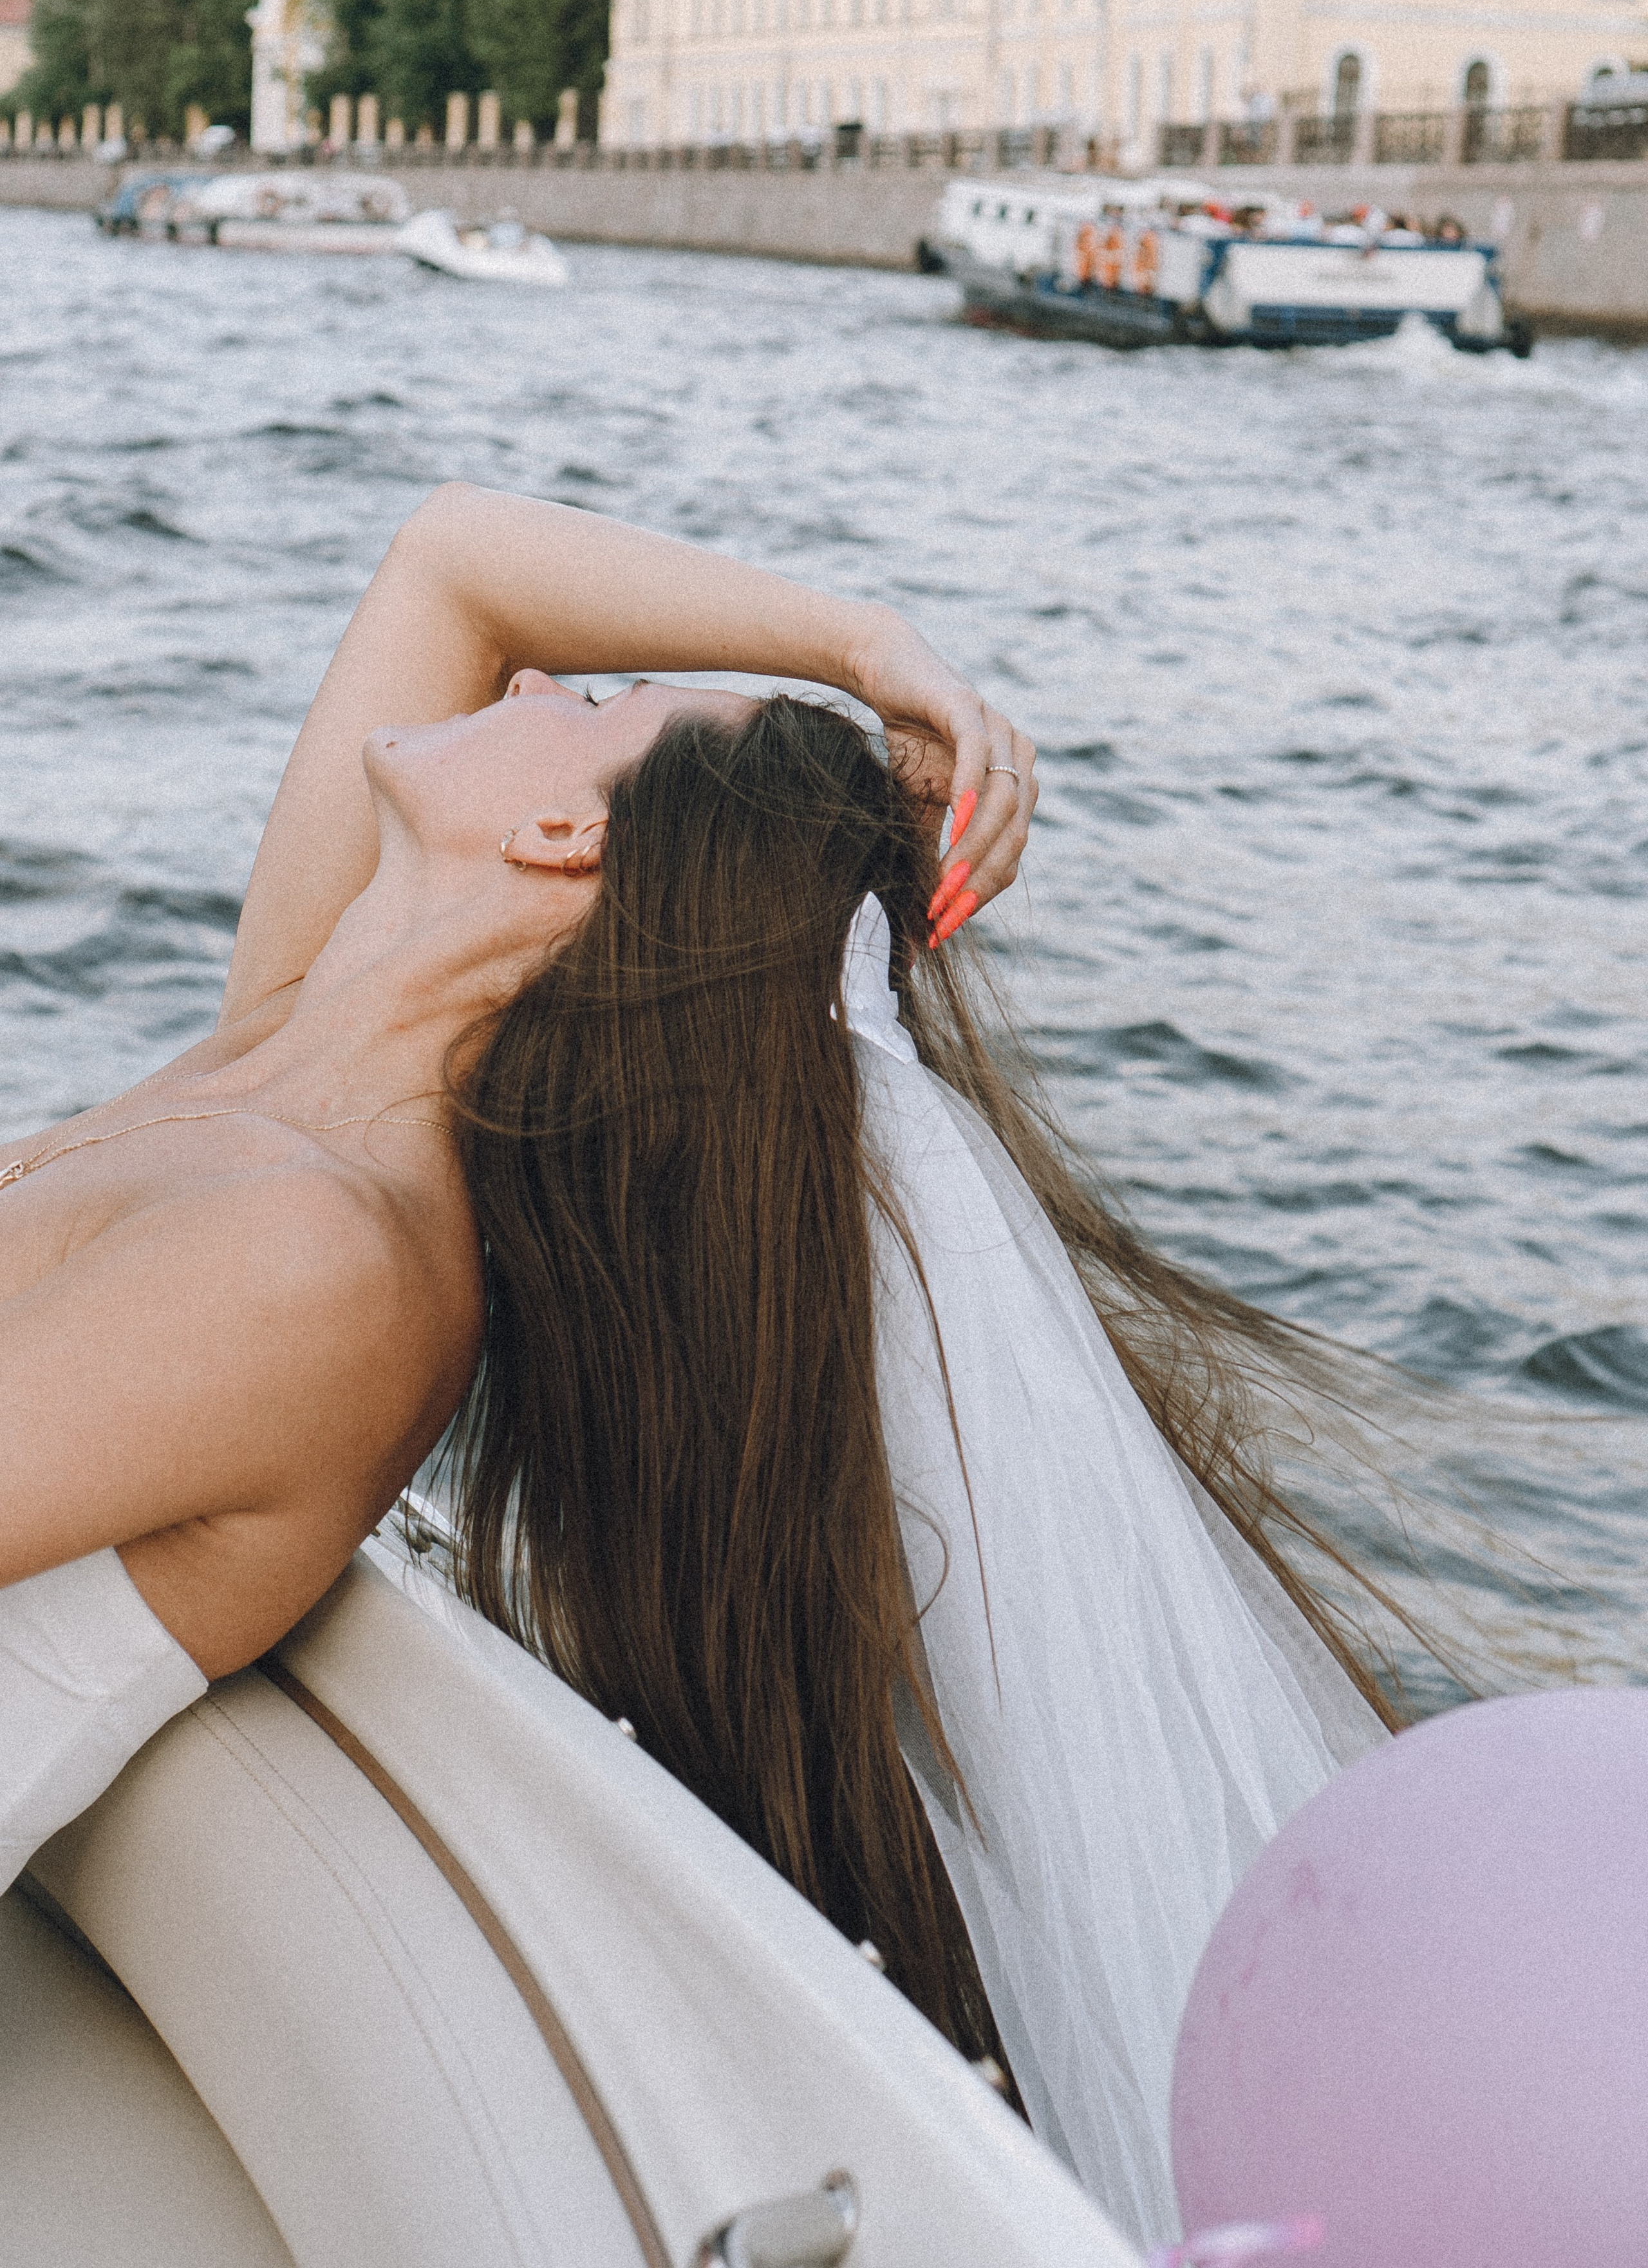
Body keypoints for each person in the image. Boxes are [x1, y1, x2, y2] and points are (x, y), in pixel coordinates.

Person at [5, 483, 1390, 2244]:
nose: (534, 685)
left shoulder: (324, 1260)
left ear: (572, 843)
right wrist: (871, 648)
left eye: (593, 707)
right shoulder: (281, 1058)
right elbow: (458, 555)